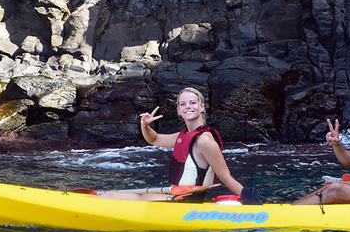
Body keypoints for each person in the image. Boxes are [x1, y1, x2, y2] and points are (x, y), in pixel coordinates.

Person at [98, 87, 261, 204]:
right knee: (114, 194)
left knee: (114, 197)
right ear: (178, 110)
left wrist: (250, 199)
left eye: (192, 102)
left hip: (185, 203)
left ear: (201, 107)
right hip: (175, 197)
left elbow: (226, 177)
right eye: (183, 104)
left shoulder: (205, 141)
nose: (188, 106)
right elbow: (153, 139)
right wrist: (145, 125)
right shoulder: (184, 136)